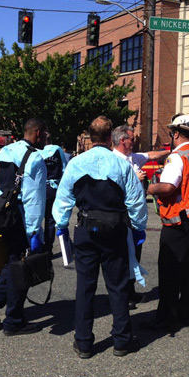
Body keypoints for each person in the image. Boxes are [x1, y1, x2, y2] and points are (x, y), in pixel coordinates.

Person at [53, 116, 148, 358]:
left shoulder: (76, 163)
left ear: (88, 137)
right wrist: (138, 228)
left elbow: (63, 198)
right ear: (109, 138)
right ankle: (122, 340)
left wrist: (61, 225)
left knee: (85, 287)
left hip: (86, 228)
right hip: (115, 230)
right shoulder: (121, 165)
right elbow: (135, 201)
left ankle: (84, 341)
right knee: (117, 286)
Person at [0, 118, 48, 336]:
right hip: (22, 219)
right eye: (45, 133)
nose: (47, 138)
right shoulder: (36, 158)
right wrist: (35, 232)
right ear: (37, 132)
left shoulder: (5, 151)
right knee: (22, 268)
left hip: (3, 216)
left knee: (12, 263)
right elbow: (34, 199)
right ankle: (13, 321)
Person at [145, 114, 189, 331]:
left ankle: (167, 318)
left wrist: (149, 187)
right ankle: (187, 313)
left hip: (177, 219)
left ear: (176, 134)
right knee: (188, 267)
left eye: (171, 133)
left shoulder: (177, 157)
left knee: (169, 269)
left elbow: (168, 187)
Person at [112, 125, 168, 309]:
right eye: (132, 139)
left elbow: (151, 155)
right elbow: (112, 189)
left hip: (136, 217)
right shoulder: (113, 161)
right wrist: (134, 178)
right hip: (122, 215)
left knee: (135, 253)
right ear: (122, 141)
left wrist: (171, 152)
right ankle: (123, 297)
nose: (134, 141)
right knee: (122, 255)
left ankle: (130, 291)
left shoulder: (133, 158)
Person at [38, 135, 68, 253]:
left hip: (40, 188)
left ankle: (36, 245)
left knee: (37, 218)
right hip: (53, 188)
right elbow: (64, 169)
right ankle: (48, 248)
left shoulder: (37, 151)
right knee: (50, 219)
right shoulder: (57, 150)